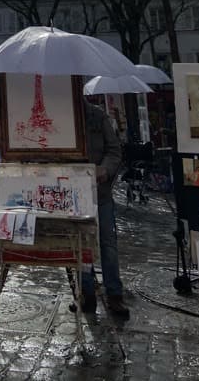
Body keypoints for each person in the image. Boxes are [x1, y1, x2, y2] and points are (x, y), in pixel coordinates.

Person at [81, 99, 130, 318]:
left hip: (100, 193)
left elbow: (114, 151)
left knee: (108, 242)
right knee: (81, 245)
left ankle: (114, 294)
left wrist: (105, 169)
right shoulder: (60, 118)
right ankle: (86, 292)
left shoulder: (96, 115)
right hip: (74, 195)